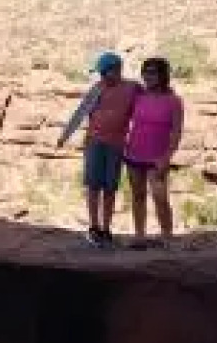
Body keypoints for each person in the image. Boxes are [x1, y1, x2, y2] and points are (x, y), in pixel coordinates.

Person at [56, 51, 140, 246]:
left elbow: (148, 106)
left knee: (110, 187)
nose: (101, 76)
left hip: (117, 145)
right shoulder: (97, 89)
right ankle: (94, 227)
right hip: (95, 143)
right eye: (100, 73)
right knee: (93, 186)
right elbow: (80, 113)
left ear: (117, 70)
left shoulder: (133, 89)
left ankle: (106, 229)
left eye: (104, 72)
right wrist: (65, 135)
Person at [124, 56, 185, 240]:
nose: (148, 76)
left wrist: (167, 157)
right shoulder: (138, 97)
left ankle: (167, 236)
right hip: (134, 153)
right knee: (138, 196)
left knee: (160, 198)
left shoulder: (174, 101)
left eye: (152, 72)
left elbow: (176, 131)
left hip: (157, 157)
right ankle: (139, 236)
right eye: (145, 72)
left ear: (162, 75)